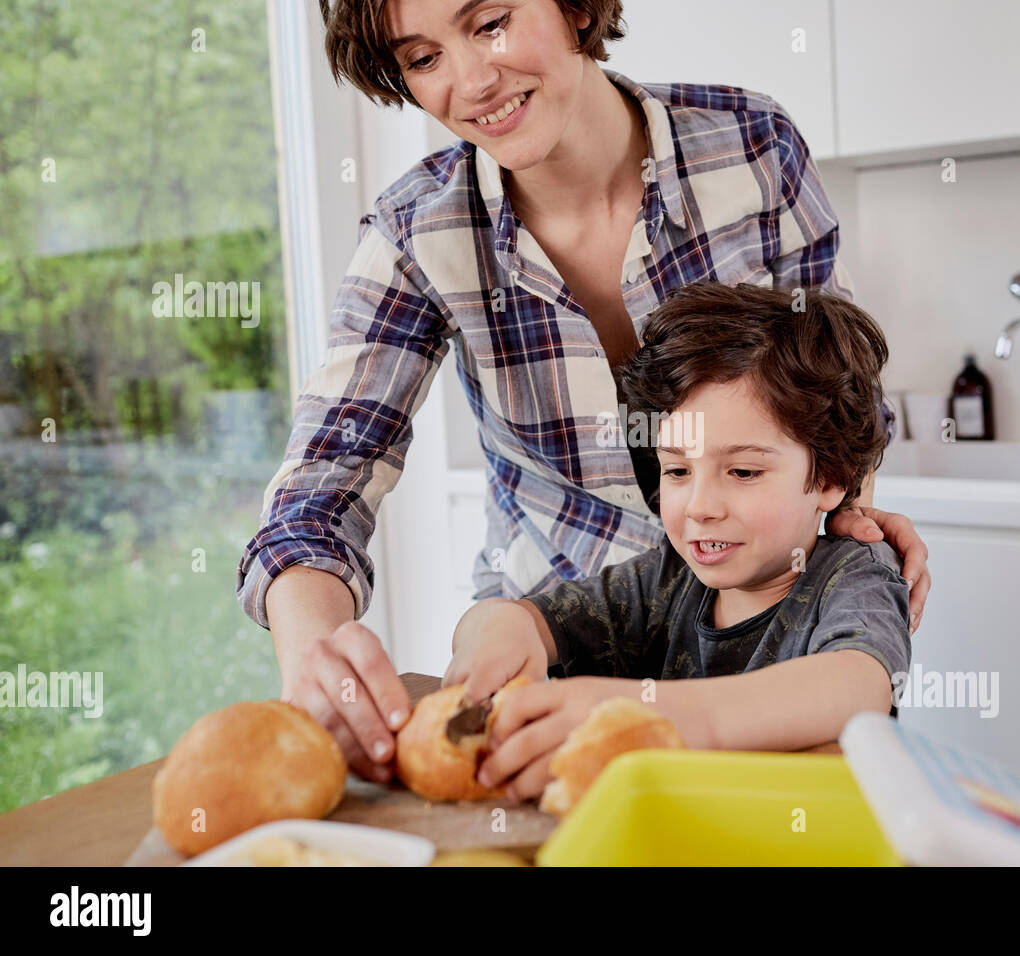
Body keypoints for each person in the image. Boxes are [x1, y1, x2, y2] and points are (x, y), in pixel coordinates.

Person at [236, 0, 932, 783]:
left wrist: (844, 511)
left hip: (774, 681)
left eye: (491, 21)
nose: (470, 80)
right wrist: (314, 659)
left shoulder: (752, 148)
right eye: (422, 58)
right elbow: (321, 488)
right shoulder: (416, 232)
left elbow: (845, 395)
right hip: (557, 686)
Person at [447, 281, 910, 800]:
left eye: (742, 471)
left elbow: (857, 688)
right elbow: (515, 617)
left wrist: (653, 717)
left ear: (829, 479)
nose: (700, 507)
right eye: (678, 471)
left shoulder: (855, 574)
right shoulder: (664, 580)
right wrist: (500, 631)